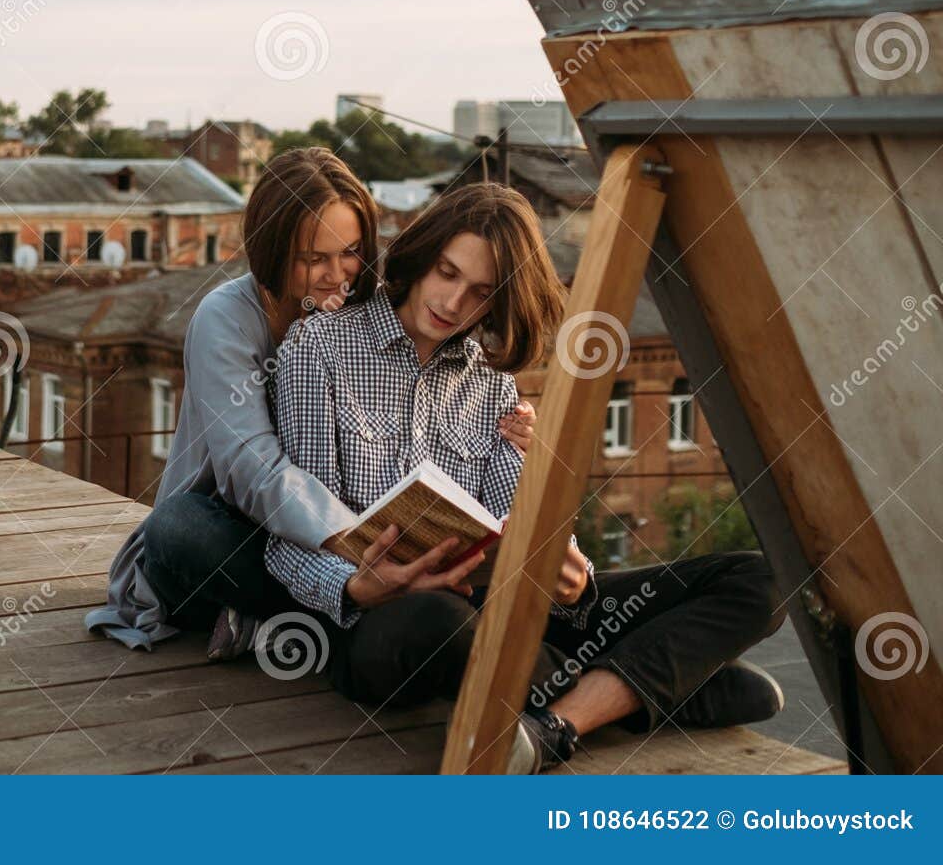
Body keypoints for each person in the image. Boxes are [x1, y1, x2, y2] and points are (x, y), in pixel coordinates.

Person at [267, 182, 786, 773]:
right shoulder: (320, 348)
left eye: (481, 293)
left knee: (763, 577)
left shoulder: (494, 386)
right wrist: (361, 584)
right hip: (384, 620)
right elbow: (291, 536)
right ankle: (641, 694)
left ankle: (570, 715)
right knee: (440, 620)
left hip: (507, 610)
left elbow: (512, 531)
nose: (454, 302)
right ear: (421, 258)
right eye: (447, 272)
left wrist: (570, 574)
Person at [84, 148, 537, 652]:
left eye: (350, 252)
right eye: (313, 258)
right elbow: (252, 469)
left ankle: (316, 621)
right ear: (272, 250)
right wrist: (356, 548)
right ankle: (328, 618)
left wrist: (514, 429)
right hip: (236, 535)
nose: (337, 274)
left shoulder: (359, 306)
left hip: (335, 553)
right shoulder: (225, 319)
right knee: (175, 526)